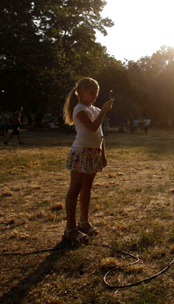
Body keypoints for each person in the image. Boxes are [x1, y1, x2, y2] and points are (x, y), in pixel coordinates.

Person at [62, 77, 113, 245]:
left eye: (97, 93)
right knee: (75, 188)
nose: (95, 96)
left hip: (93, 153)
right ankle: (70, 228)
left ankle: (84, 222)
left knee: (87, 189)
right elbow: (91, 127)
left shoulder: (95, 109)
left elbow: (100, 134)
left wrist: (103, 154)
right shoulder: (79, 109)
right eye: (92, 93)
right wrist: (104, 111)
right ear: (82, 92)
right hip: (81, 152)